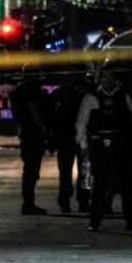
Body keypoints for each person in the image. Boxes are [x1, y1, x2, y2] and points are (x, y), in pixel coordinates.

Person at [75, 66, 132, 232]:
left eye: (111, 77)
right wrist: (84, 145)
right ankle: (94, 221)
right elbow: (81, 123)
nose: (108, 80)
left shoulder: (123, 96)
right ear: (99, 79)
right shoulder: (91, 98)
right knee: (99, 184)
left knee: (127, 185)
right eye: (104, 77)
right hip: (100, 144)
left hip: (120, 144)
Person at [9, 64, 51, 215]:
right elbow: (33, 109)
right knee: (32, 170)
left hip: (25, 132)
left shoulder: (18, 90)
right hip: (33, 133)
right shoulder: (31, 90)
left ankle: (28, 202)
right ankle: (28, 203)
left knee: (30, 169)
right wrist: (44, 129)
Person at [48, 74, 90, 213]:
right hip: (71, 138)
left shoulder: (63, 93)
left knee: (75, 173)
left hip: (74, 138)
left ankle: (71, 201)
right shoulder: (66, 94)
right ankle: (75, 201)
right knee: (79, 172)